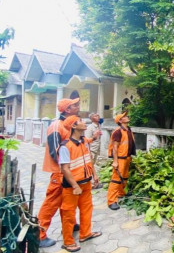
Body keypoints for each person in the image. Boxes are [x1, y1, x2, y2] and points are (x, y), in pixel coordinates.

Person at [38, 98, 80, 248]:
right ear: (67, 110)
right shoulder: (56, 126)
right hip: (59, 172)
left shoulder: (68, 125)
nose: (78, 107)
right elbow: (55, 152)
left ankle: (69, 224)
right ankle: (39, 234)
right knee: (52, 203)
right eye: (75, 105)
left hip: (68, 171)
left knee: (67, 201)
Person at [59, 115, 102, 252]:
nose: (84, 123)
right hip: (72, 187)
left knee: (86, 210)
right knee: (69, 214)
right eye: (81, 121)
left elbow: (88, 159)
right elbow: (65, 169)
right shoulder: (65, 146)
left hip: (86, 183)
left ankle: (85, 234)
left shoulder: (84, 141)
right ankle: (68, 242)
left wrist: (94, 175)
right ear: (74, 126)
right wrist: (75, 186)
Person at [107, 111, 136, 210]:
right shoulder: (118, 131)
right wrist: (115, 161)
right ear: (120, 120)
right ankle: (111, 201)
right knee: (116, 179)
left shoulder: (128, 129)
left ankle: (120, 193)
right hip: (120, 158)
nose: (127, 117)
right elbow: (115, 147)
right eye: (124, 116)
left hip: (127, 157)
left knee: (124, 176)